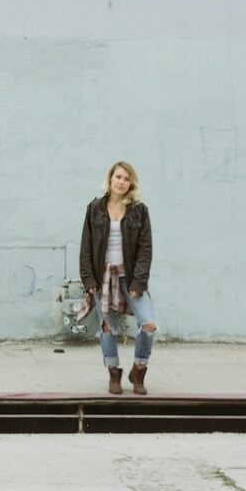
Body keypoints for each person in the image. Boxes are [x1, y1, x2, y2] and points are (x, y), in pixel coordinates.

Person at [78, 161, 156, 395]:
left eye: (126, 178)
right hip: (103, 278)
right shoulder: (95, 208)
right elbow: (86, 247)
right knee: (107, 327)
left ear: (131, 183)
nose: (121, 182)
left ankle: (138, 369)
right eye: (118, 177)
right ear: (110, 178)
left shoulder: (139, 210)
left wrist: (138, 282)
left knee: (149, 324)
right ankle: (114, 372)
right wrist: (88, 279)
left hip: (129, 277)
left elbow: (145, 248)